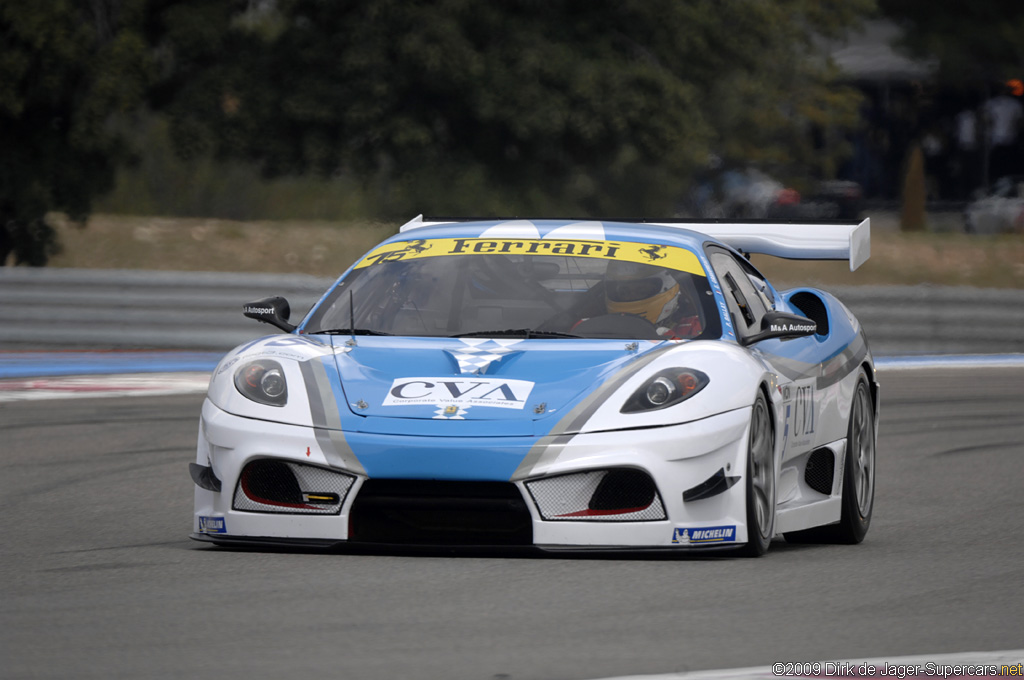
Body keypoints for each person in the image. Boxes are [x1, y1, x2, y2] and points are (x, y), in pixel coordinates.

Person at [594, 261, 703, 339]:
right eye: (624, 292)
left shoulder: (693, 328)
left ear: (668, 287)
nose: (632, 297)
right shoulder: (593, 329)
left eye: (641, 290)